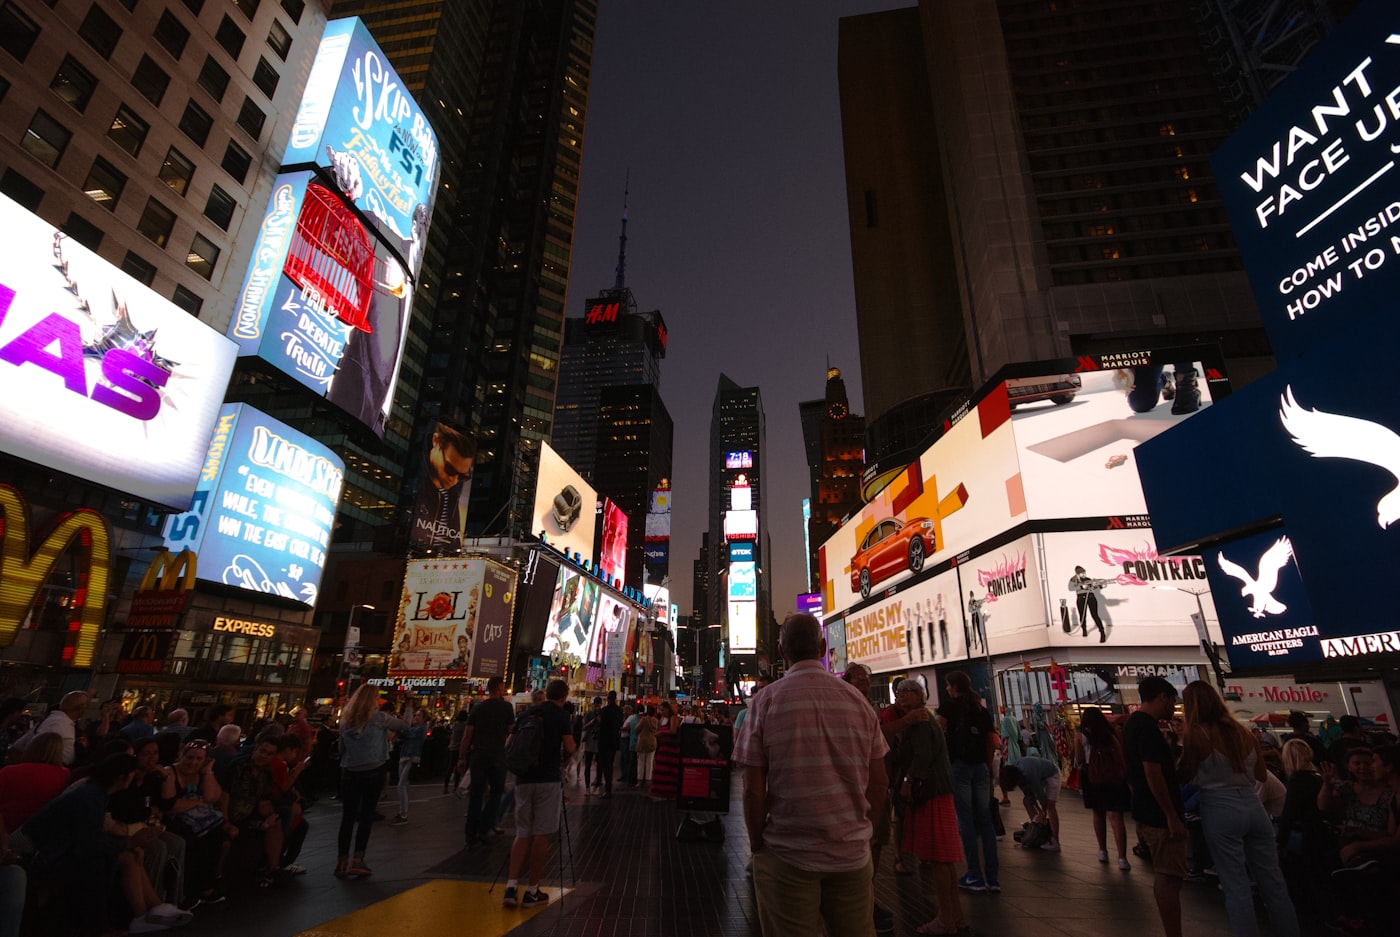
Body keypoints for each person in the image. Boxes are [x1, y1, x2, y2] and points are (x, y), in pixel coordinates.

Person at [734, 613, 886, 937]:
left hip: (787, 854)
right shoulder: (858, 702)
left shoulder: (765, 701)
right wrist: (863, 828)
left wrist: (757, 839)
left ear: (781, 651)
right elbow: (880, 781)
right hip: (852, 855)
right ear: (821, 647)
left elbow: (753, 790)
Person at [1178, 680, 1298, 937]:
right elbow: (1262, 776)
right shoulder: (1243, 732)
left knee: (1235, 885)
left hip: (1219, 806)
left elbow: (1186, 773)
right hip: (1253, 806)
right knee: (1273, 882)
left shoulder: (1196, 733)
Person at [889, 678, 964, 936]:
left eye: (903, 692)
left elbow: (922, 755)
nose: (899, 696)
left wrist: (909, 781)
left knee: (938, 857)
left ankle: (945, 917)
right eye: (897, 692)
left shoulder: (919, 720)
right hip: (939, 790)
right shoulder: (921, 717)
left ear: (916, 694)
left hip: (931, 793)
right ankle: (956, 915)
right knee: (943, 858)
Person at [503, 679, 576, 909]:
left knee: (522, 832)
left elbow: (509, 744)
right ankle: (532, 890)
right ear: (564, 696)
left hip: (524, 779)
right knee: (542, 834)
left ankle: (511, 886)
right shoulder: (561, 716)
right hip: (547, 780)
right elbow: (570, 747)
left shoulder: (527, 714)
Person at [1124, 677, 1187, 937]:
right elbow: (1152, 772)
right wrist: (1171, 814)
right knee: (1169, 876)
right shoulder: (1147, 729)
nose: (1173, 707)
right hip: (1159, 814)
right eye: (1172, 701)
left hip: (1144, 807)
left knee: (1166, 875)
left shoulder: (1132, 725)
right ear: (1162, 696)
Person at [335, 685, 412, 879]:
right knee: (366, 816)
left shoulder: (345, 720)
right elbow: (405, 726)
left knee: (347, 818)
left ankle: (341, 861)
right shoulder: (379, 718)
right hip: (373, 769)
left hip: (349, 770)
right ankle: (358, 860)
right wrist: (409, 705)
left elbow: (341, 749)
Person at [938, 670, 999, 893]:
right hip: (980, 768)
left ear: (953, 686)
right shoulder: (980, 709)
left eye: (947, 685)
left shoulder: (948, 707)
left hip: (960, 766)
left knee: (966, 821)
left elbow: (937, 733)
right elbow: (991, 742)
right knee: (985, 820)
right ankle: (993, 878)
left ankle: (974, 874)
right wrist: (987, 767)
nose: (946, 689)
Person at [1074, 707, 1132, 869]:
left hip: (1092, 777)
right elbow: (1121, 754)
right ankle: (1122, 858)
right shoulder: (1111, 732)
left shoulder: (1081, 734)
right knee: (1116, 816)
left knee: (1098, 813)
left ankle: (1103, 850)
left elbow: (1079, 758)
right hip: (1114, 777)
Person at [461, 676, 515, 846]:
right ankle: (484, 828)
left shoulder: (478, 708)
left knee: (476, 794)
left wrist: (462, 758)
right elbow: (511, 731)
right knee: (496, 792)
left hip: (478, 755)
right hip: (497, 755)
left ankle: (471, 833)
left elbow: (467, 735)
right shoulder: (506, 707)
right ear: (499, 688)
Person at [408, 421, 475, 551]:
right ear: (436, 441)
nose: (455, 480)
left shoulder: (453, 493)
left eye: (462, 476)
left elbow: (454, 542)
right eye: (450, 469)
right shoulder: (415, 476)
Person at [1000, 755, 1062, 851]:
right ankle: (1039, 828)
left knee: (1050, 806)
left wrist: (1043, 812)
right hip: (1040, 776)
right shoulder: (1016, 773)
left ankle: (1055, 842)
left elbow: (1040, 794)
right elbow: (1028, 794)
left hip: (1052, 774)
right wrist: (1039, 813)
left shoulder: (1028, 771)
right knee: (1027, 801)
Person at [16, 691, 88, 766]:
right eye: (86, 705)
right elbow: (42, 753)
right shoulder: (58, 723)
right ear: (80, 708)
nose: (86, 710)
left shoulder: (59, 721)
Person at [392, 710, 427, 825]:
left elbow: (406, 734)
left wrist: (400, 725)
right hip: (404, 755)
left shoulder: (421, 729)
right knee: (403, 784)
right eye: (415, 715)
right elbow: (403, 734)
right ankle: (403, 810)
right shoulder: (414, 728)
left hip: (411, 757)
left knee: (401, 785)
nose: (416, 717)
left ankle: (403, 814)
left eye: (419, 715)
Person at [650, 701, 681, 800]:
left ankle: (670, 793)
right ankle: (661, 792)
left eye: (663, 710)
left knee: (669, 770)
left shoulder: (673, 718)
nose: (661, 712)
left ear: (668, 709)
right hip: (663, 747)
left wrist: (661, 733)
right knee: (661, 769)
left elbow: (673, 731)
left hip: (671, 748)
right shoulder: (663, 719)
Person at [1067, 566, 1108, 641]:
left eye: (1084, 572)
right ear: (1078, 574)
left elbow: (1093, 587)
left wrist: (1100, 586)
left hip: (1091, 597)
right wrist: (1081, 587)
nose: (1084, 574)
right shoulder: (1073, 580)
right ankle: (1084, 629)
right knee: (1082, 615)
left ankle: (1102, 633)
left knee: (1095, 615)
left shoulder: (1088, 579)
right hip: (1081, 598)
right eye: (1082, 573)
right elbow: (1070, 588)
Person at [597, 691, 622, 798]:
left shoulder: (605, 710)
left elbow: (601, 725)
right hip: (614, 740)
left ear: (608, 698)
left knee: (605, 764)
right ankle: (608, 787)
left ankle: (607, 787)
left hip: (604, 740)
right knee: (610, 764)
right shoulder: (619, 711)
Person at [444, 710, 469, 795]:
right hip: (460, 748)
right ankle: (455, 786)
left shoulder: (455, 724)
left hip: (452, 747)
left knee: (450, 767)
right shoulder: (465, 725)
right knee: (458, 767)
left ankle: (445, 786)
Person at [634, 705, 658, 787]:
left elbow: (637, 729)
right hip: (652, 742)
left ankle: (640, 780)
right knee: (649, 762)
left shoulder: (643, 719)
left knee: (641, 762)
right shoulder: (656, 721)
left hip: (642, 742)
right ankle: (648, 780)